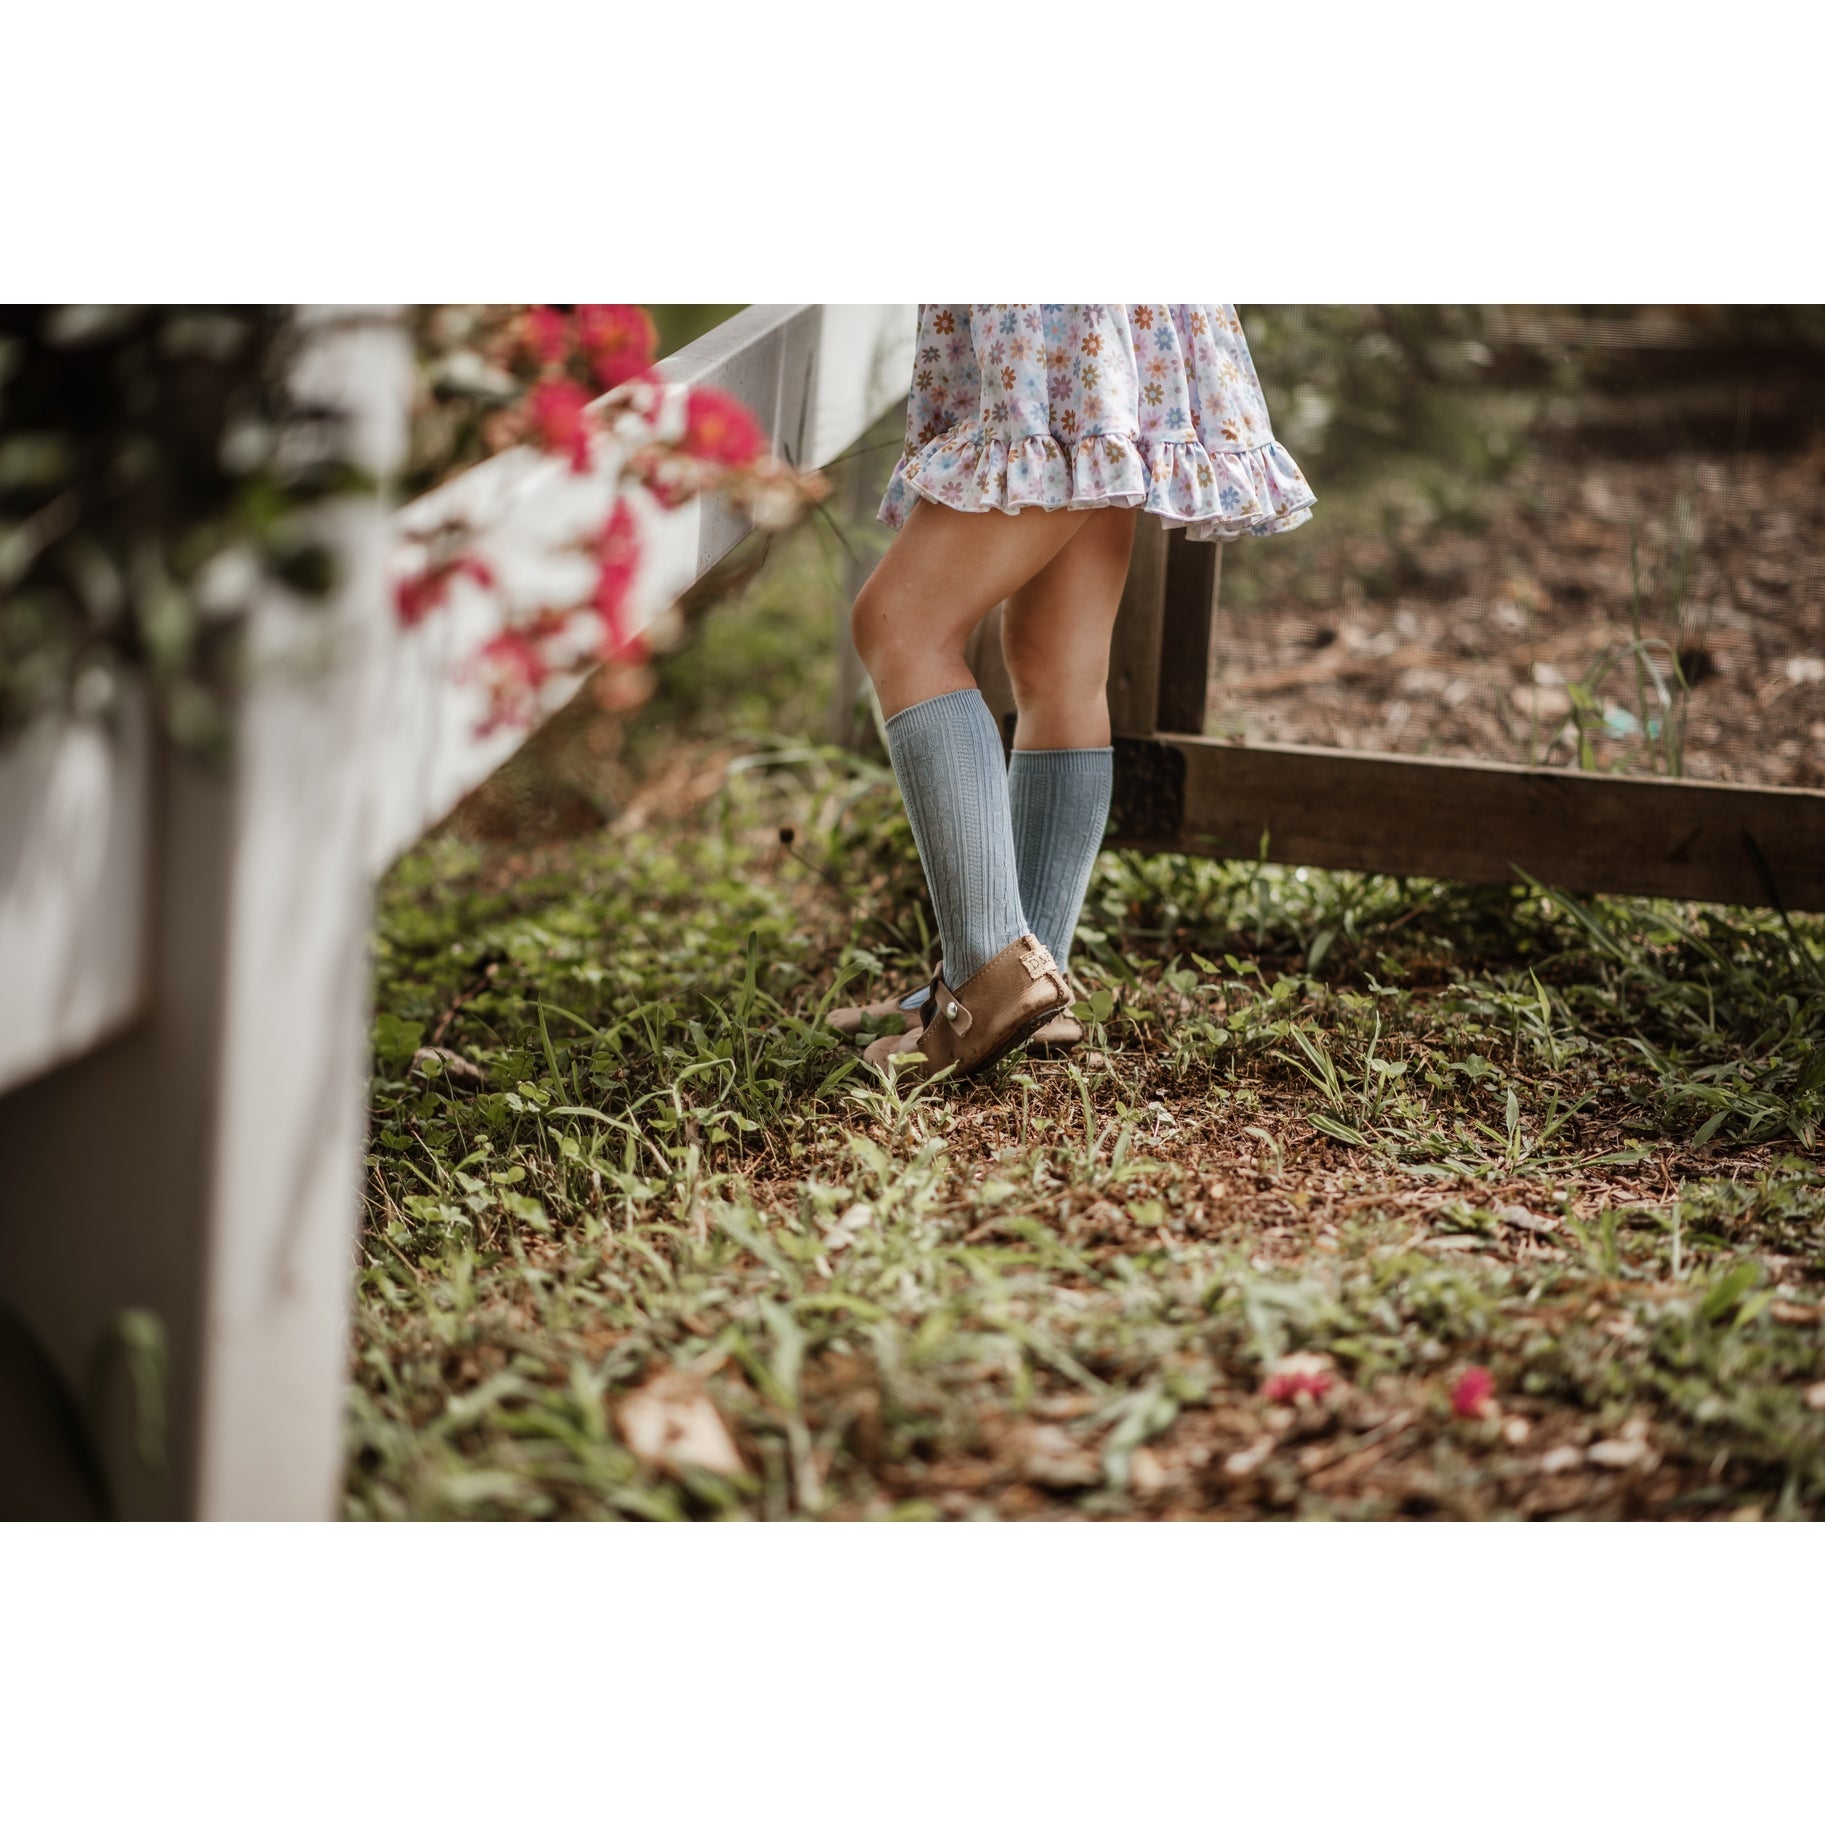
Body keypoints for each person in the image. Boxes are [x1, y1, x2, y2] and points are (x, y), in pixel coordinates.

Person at [827, 304, 1314, 1080]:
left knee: (899, 626)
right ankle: (1029, 979)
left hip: (1053, 327)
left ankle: (988, 983)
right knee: (1058, 664)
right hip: (1104, 329)